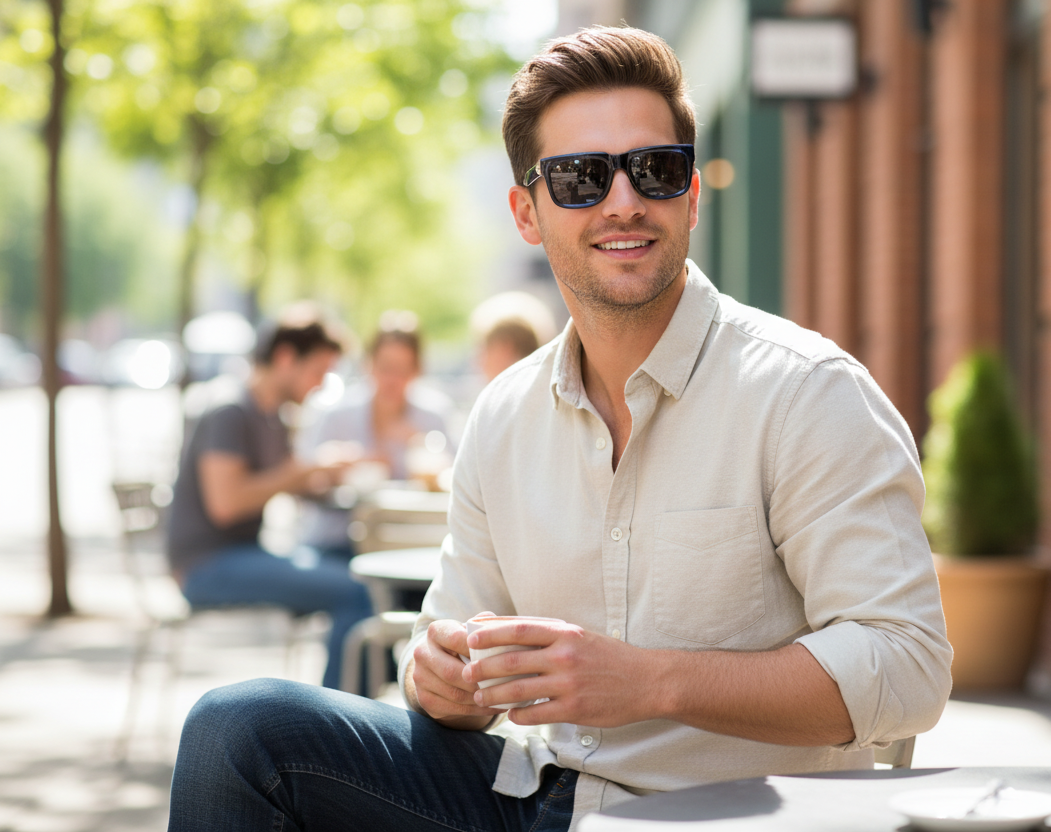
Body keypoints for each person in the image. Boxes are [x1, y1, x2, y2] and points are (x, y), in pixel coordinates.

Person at [167, 27, 951, 832]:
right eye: (580, 177)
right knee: (238, 728)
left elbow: (910, 667)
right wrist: (436, 678)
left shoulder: (806, 394)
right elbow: (446, 647)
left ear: (691, 194)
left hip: (728, 817)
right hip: (532, 794)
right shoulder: (502, 416)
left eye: (655, 168)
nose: (622, 201)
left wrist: (652, 683)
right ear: (527, 213)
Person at [165, 310, 373, 692]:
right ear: (285, 357)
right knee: (355, 591)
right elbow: (226, 503)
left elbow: (278, 484)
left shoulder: (270, 414)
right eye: (318, 372)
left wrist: (322, 474)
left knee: (361, 571)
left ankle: (354, 711)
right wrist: (299, 472)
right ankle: (337, 733)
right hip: (205, 566)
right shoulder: (229, 409)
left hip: (243, 555)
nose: (322, 385)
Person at [297, 311, 453, 562]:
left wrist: (422, 447)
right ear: (368, 364)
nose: (393, 380)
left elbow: (455, 481)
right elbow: (302, 481)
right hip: (340, 541)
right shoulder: (336, 414)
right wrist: (338, 467)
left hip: (409, 543)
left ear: (417, 370)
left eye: (403, 370)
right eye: (386, 368)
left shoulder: (432, 417)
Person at [470, 290, 558, 381]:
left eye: (485, 348)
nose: (478, 361)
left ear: (505, 347)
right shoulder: (547, 384)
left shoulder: (508, 392)